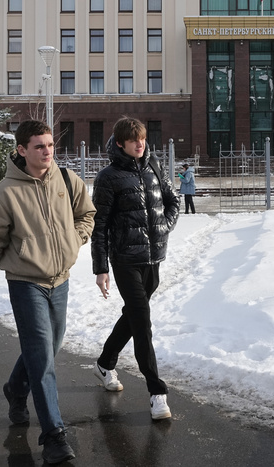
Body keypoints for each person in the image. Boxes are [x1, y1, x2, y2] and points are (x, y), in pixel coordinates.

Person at [0, 120, 95, 465]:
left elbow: (87, 213)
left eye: (50, 145)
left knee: (49, 348)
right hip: (26, 282)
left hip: (61, 279)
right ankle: (54, 435)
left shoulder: (67, 180)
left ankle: (14, 388)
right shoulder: (7, 192)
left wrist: (76, 238)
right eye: (39, 146)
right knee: (42, 358)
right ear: (22, 150)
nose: (47, 151)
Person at [90, 116, 181, 420]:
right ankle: (157, 392)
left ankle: (105, 362)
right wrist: (100, 267)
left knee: (132, 316)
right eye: (133, 141)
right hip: (125, 260)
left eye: (142, 139)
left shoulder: (153, 167)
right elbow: (99, 226)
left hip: (154, 258)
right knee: (142, 321)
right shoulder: (108, 177)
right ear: (120, 143)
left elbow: (172, 202)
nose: (140, 144)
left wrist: (163, 227)